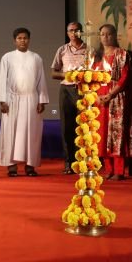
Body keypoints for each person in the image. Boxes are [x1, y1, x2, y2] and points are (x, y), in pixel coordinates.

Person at [0, 28, 49, 177]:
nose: (22, 41)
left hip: (31, 99)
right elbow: (1, 79)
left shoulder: (36, 58)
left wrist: (42, 100)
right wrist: (2, 101)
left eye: (25, 38)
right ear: (15, 40)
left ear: (29, 40)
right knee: (10, 132)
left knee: (32, 133)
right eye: (19, 38)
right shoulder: (7, 57)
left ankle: (30, 166)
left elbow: (41, 79)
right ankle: (11, 166)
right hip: (12, 99)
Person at [92, 24, 132, 180]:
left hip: (116, 97)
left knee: (117, 133)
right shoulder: (97, 56)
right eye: (102, 34)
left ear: (115, 35)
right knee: (102, 134)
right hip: (100, 99)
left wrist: (110, 94)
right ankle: (108, 169)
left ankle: (119, 170)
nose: (105, 37)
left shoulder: (122, 54)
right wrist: (96, 96)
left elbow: (124, 77)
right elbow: (91, 78)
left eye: (109, 34)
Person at [51, 22, 87, 174]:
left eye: (76, 30)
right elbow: (53, 73)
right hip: (66, 90)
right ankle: (69, 163)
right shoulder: (62, 50)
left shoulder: (89, 49)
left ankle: (83, 163)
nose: (74, 33)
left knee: (83, 128)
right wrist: (66, 75)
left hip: (84, 90)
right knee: (67, 127)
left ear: (81, 32)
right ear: (67, 33)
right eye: (71, 31)